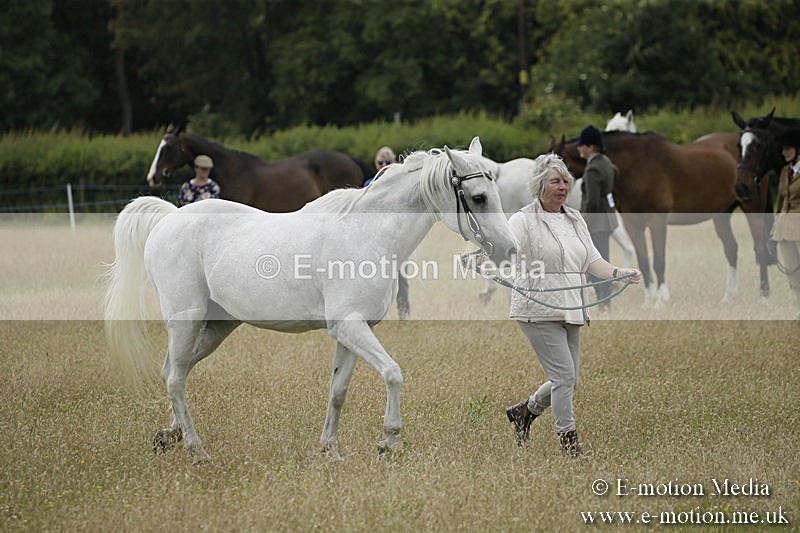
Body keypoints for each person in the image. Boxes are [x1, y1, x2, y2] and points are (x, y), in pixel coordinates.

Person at [500, 153, 640, 458]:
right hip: (536, 309)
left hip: (573, 308)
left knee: (569, 380)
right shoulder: (523, 219)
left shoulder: (575, 218)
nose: (562, 186)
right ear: (540, 185)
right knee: (564, 377)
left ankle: (525, 411)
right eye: (555, 181)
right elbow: (505, 248)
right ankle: (569, 444)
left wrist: (619, 272)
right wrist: (483, 259)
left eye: (565, 180)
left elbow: (592, 260)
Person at [364, 146, 410, 319]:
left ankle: (403, 315)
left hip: (396, 239)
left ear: (394, 163)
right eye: (380, 162)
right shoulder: (369, 185)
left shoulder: (400, 184)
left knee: (400, 279)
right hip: (372, 240)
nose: (383, 165)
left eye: (387, 162)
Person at [576, 125, 620, 307]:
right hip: (608, 219)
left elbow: (592, 202)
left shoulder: (592, 169)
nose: (579, 148)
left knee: (595, 263)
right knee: (604, 258)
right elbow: (615, 176)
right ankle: (605, 299)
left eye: (582, 145)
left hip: (595, 222)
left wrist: (581, 222)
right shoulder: (607, 163)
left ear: (591, 147)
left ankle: (603, 299)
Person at [771, 128, 800, 318]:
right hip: (784, 230)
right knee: (792, 272)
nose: (783, 153)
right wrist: (775, 228)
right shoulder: (784, 172)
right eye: (782, 149)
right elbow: (781, 201)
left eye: (787, 149)